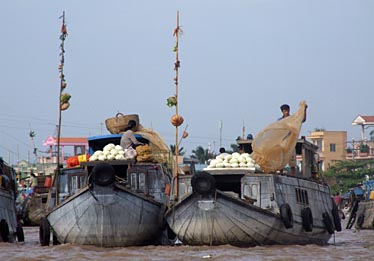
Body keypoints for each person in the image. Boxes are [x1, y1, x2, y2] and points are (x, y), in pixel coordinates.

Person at [277, 103, 308, 175]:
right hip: (283, 142)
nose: (287, 112)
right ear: (282, 112)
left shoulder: (293, 119)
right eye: (285, 111)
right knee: (281, 160)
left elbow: (302, 119)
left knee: (292, 161)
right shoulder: (279, 120)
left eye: (287, 110)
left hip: (291, 142)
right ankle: (281, 174)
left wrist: (305, 110)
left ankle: (293, 175)